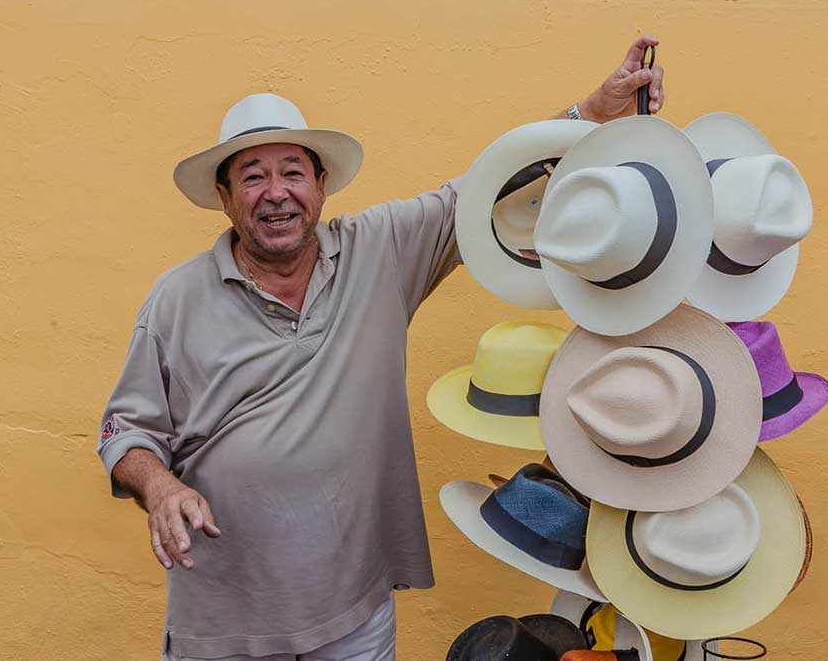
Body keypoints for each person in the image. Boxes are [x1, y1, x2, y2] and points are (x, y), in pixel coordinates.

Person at [96, 34, 666, 661]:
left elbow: (484, 187)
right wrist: (160, 488)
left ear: (321, 185)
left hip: (354, 613)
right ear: (225, 198)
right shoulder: (176, 299)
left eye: (292, 172)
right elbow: (126, 433)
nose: (276, 192)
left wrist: (595, 110)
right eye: (252, 177)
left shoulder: (381, 251)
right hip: (227, 619)